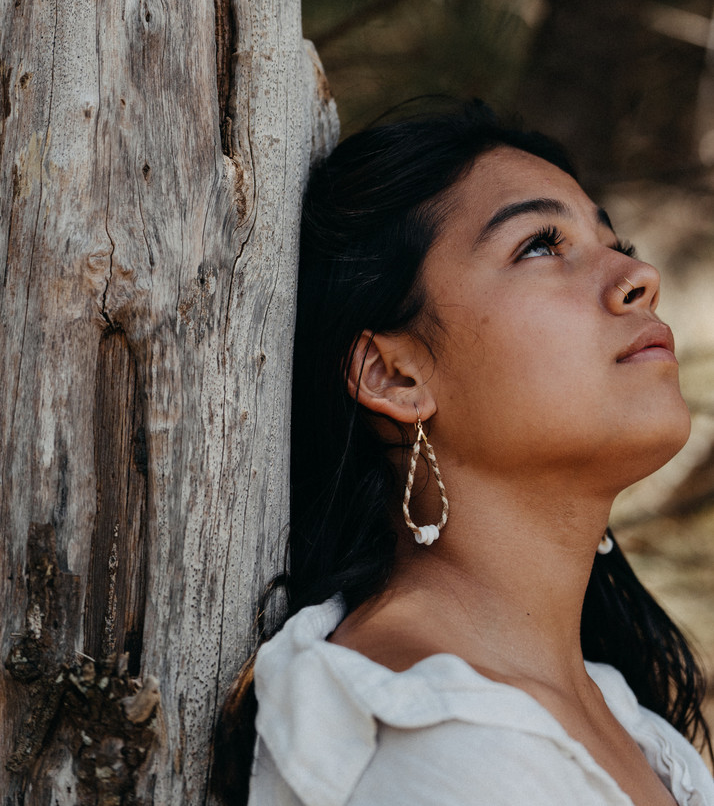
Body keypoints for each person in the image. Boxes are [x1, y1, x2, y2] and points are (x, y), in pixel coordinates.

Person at [215, 99, 714, 806]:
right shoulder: (428, 742)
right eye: (540, 245)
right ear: (395, 376)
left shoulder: (624, 722)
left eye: (617, 243)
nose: (640, 276)